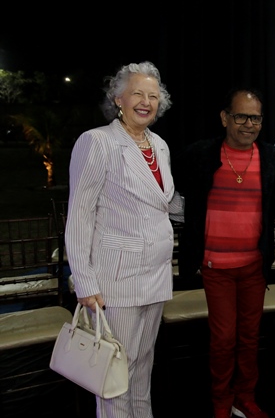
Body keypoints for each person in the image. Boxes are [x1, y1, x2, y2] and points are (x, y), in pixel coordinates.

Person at [65, 61, 179, 417]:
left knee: (142, 366)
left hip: (157, 274)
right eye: (137, 94)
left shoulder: (159, 145)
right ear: (118, 99)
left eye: (153, 96)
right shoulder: (96, 141)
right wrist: (84, 281)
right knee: (115, 374)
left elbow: (166, 203)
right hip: (117, 279)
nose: (145, 102)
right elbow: (79, 215)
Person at [173, 87, 275, 418]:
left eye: (255, 117)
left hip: (253, 266)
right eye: (241, 116)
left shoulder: (269, 157)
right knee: (224, 339)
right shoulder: (200, 154)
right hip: (216, 267)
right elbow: (164, 185)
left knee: (250, 338)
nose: (249, 124)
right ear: (225, 118)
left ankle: (245, 397)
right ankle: (221, 400)